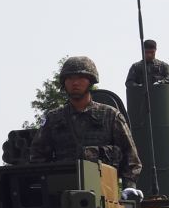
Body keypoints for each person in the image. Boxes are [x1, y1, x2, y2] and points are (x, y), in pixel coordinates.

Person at [30, 56, 143, 190]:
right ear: (64, 83)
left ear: (90, 81)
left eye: (80, 78)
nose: (75, 83)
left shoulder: (110, 115)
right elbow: (37, 157)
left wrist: (129, 187)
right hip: (62, 192)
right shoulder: (53, 118)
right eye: (70, 78)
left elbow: (130, 157)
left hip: (104, 191)